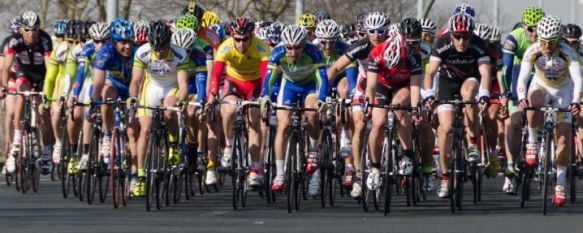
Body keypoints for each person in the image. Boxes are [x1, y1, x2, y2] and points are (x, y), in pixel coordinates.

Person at [422, 13, 491, 198]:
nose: (461, 41)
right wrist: (428, 94)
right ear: (451, 34)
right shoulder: (442, 43)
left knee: (469, 94)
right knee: (445, 128)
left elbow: (485, 72)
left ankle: (473, 142)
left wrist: (484, 94)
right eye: (457, 36)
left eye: (466, 36)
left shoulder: (478, 44)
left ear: (471, 35)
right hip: (448, 82)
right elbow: (430, 73)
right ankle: (445, 176)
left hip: (470, 78)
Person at [516, 15, 582, 206]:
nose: (546, 47)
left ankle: (560, 184)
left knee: (562, 140)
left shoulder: (568, 52)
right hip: (541, 86)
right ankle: (531, 142)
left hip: (563, 91)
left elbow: (578, 79)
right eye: (543, 42)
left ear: (559, 40)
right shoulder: (533, 51)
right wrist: (521, 98)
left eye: (551, 43)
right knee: (533, 100)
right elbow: (522, 78)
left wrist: (576, 101)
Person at [327, 11, 390, 197]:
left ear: (387, 31)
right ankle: (357, 174)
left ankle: (389, 157)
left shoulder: (392, 44)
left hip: (387, 84)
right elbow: (336, 68)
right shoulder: (361, 45)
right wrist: (322, 94)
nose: (376, 35)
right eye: (371, 31)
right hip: (365, 85)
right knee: (359, 123)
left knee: (385, 121)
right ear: (366, 31)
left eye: (381, 31)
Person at [261, 25, 329, 196]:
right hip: (289, 86)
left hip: (310, 86)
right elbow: (269, 79)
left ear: (304, 44)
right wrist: (265, 97)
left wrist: (322, 99)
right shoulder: (277, 52)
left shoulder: (314, 51)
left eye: (298, 47)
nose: (293, 51)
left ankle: (313, 151)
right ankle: (280, 173)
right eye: (289, 47)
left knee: (312, 113)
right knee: (283, 124)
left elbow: (323, 78)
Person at [207, 17, 271, 187]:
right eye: (238, 39)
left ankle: (254, 169)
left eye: (245, 39)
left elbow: (266, 77)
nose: (241, 44)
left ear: (252, 36)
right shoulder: (225, 47)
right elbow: (216, 75)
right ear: (232, 36)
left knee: (254, 120)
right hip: (234, 82)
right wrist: (213, 93)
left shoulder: (262, 48)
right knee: (228, 110)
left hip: (255, 84)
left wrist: (264, 96)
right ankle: (228, 146)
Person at [1, 11, 53, 174]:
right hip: (24, 74)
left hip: (42, 76)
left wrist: (49, 91)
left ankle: (46, 153)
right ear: (21, 29)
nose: (31, 34)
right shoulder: (13, 41)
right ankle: (16, 141)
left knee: (43, 112)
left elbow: (50, 68)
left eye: (35, 30)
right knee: (21, 95)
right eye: (27, 30)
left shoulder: (45, 40)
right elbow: (6, 68)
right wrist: (3, 86)